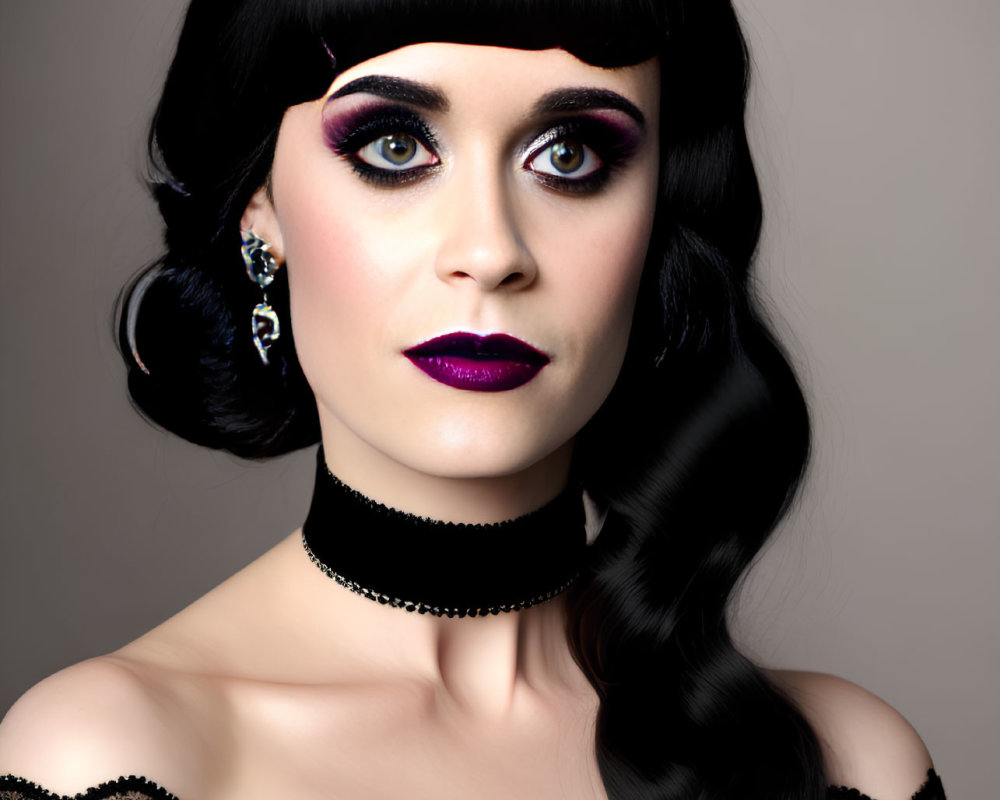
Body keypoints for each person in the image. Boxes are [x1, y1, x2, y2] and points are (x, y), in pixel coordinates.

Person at [0, 1, 945, 799]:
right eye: (396, 145)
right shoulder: (113, 760)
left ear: (659, 217)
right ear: (262, 210)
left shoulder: (849, 765)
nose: (492, 251)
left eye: (570, 154)